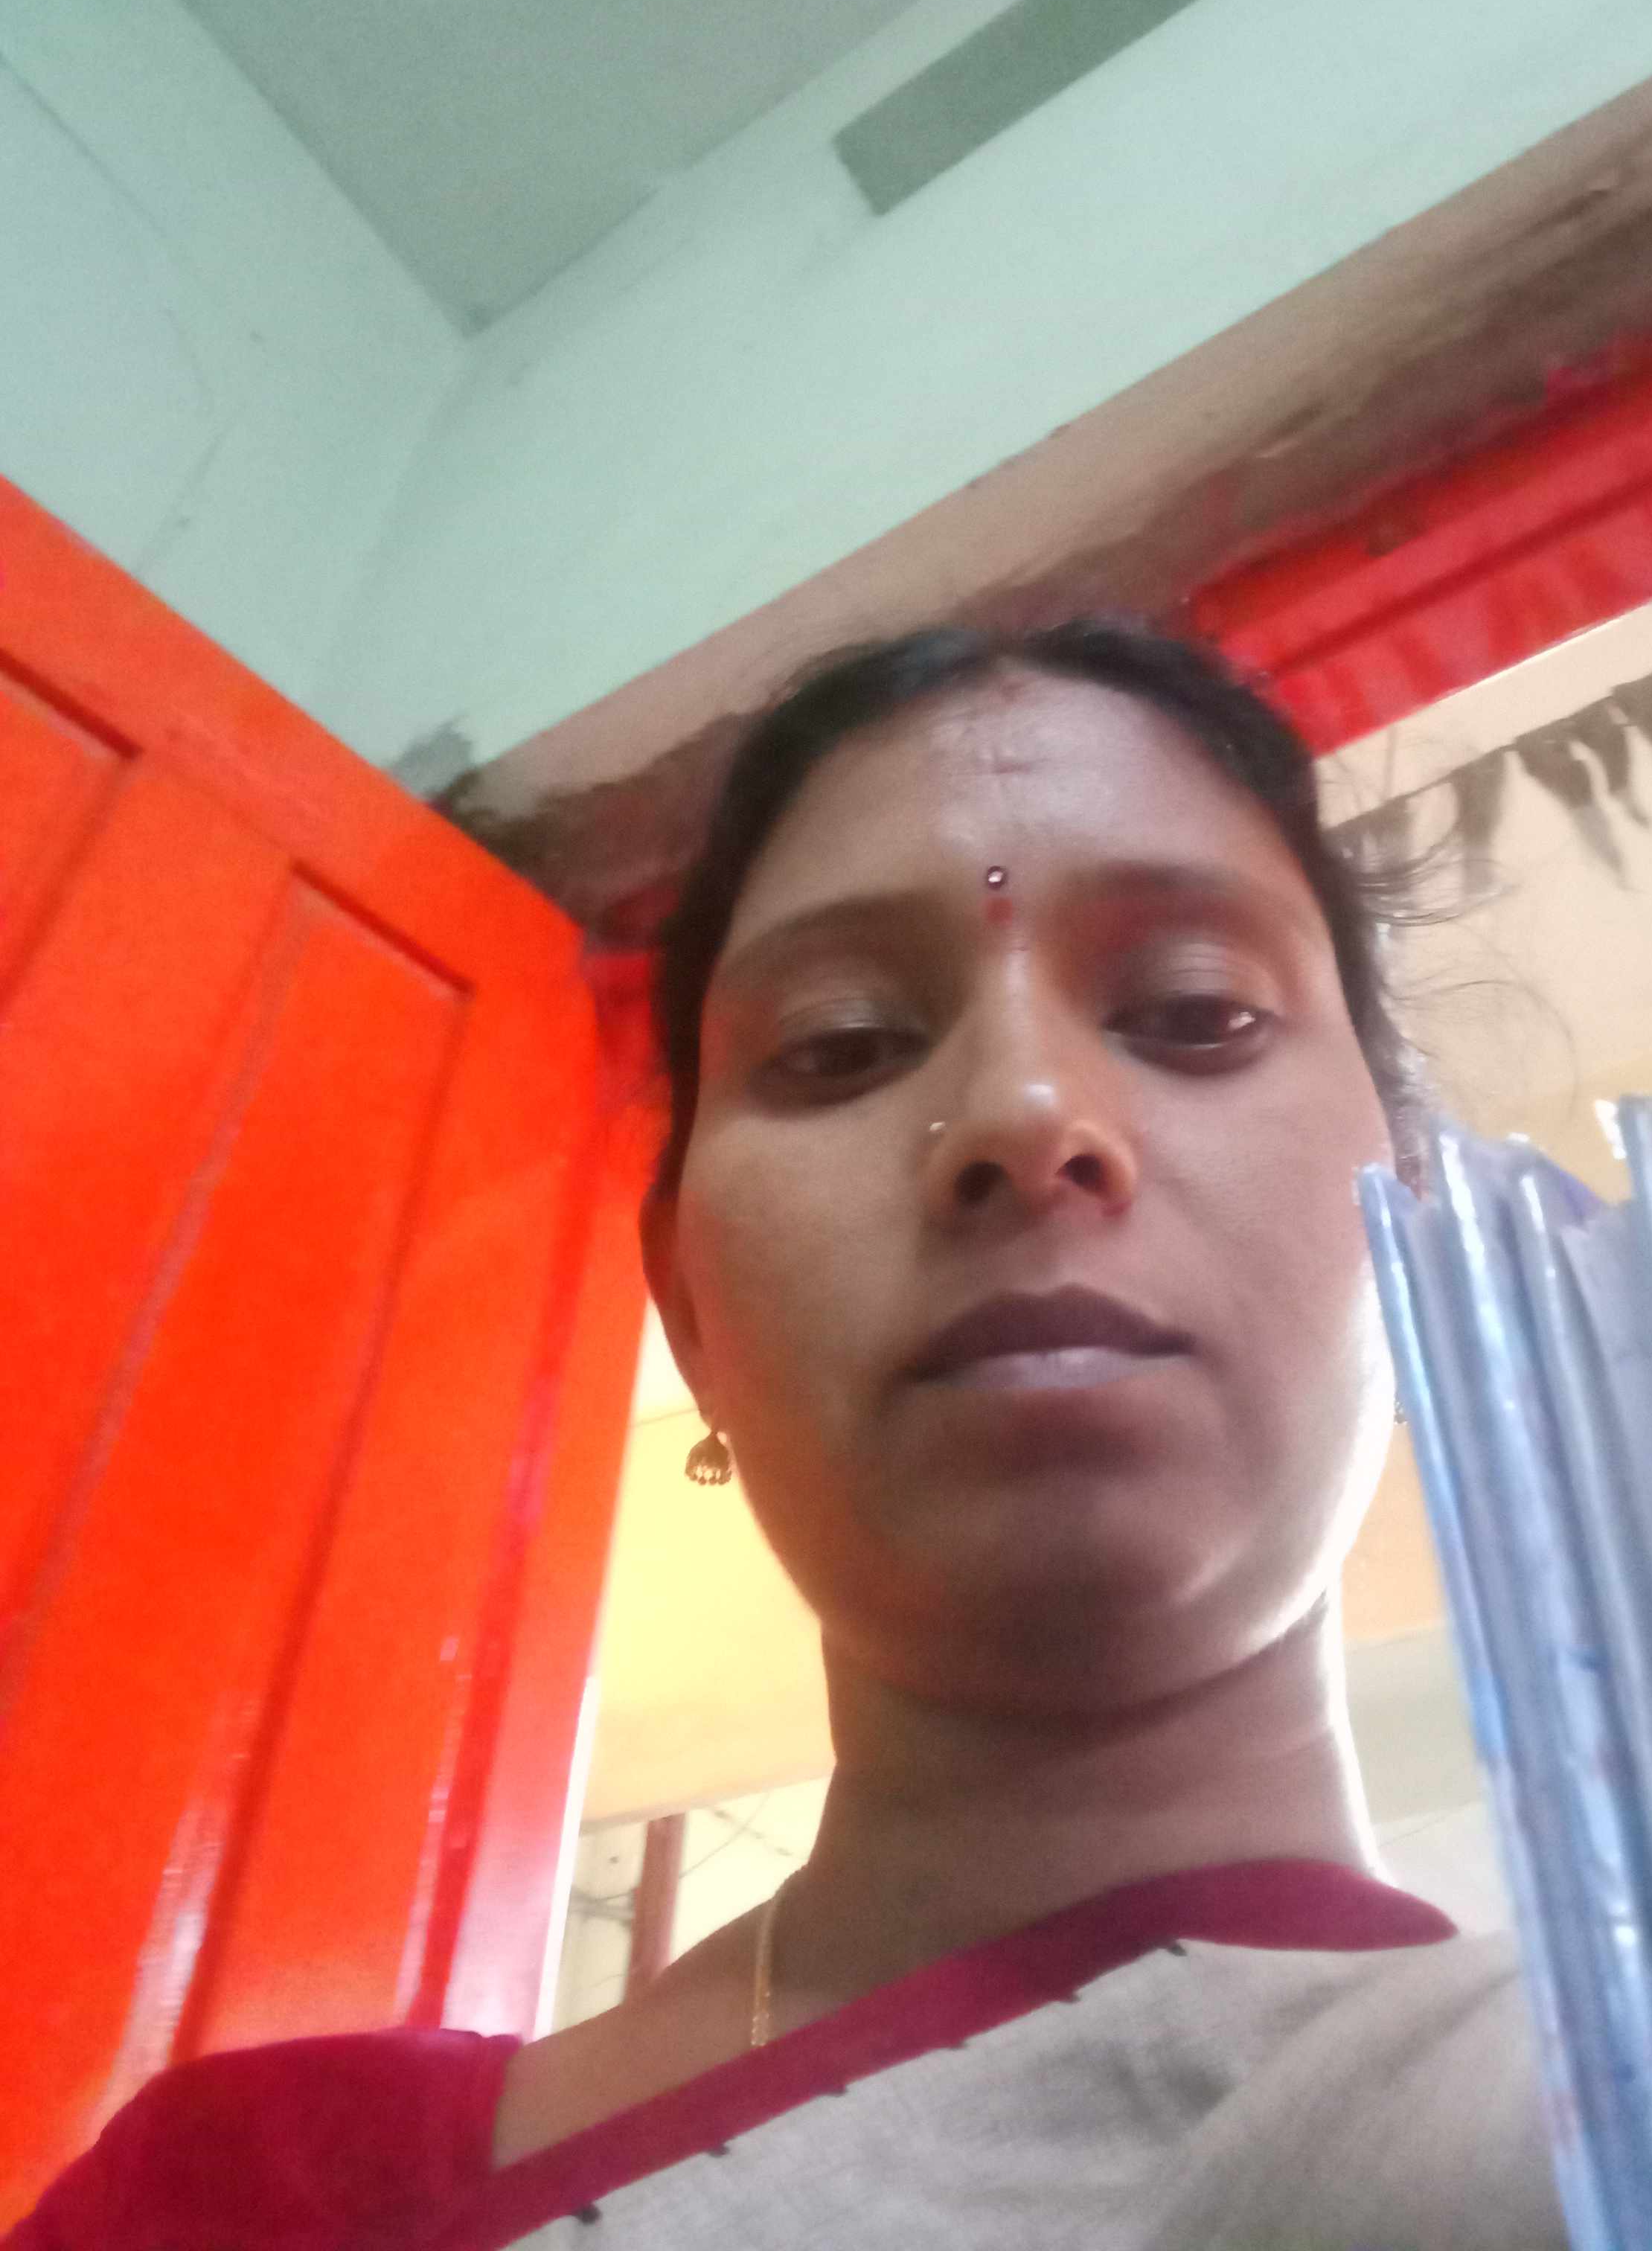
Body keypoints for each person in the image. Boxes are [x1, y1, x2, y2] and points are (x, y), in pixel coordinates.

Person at [11, 620, 1566, 2249]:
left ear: (1423, 1229)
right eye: (841, 1045)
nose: (1027, 1115)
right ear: (689, 1310)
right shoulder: (241, 2201)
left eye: (1195, 1010)